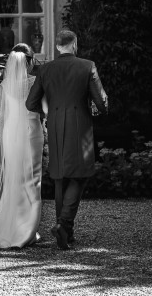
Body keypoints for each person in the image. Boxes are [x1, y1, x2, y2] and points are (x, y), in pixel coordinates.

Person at [26, 30, 108, 250]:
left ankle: (65, 233)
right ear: (74, 44)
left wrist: (49, 111)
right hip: (80, 125)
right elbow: (101, 101)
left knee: (61, 176)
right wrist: (100, 108)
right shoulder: (87, 65)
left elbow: (31, 103)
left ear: (57, 46)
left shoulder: (46, 69)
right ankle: (64, 225)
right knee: (80, 174)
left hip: (55, 125)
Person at [0, 43, 45, 249]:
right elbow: (44, 109)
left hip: (10, 134)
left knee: (14, 179)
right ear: (30, 61)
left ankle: (12, 226)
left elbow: (1, 117)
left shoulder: (6, 85)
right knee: (31, 178)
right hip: (30, 132)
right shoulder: (35, 82)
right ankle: (27, 231)